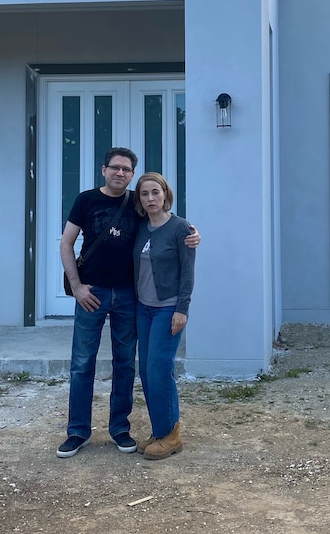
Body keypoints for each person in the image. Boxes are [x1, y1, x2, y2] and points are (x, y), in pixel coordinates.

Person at [56, 148, 198, 458]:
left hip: (129, 297)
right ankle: (77, 431)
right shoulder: (86, 200)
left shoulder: (136, 203)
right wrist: (77, 287)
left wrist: (193, 235)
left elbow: (166, 224)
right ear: (104, 170)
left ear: (132, 174)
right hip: (91, 294)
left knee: (125, 365)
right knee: (82, 365)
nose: (120, 173)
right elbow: (66, 243)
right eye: (115, 168)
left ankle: (119, 428)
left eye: (126, 169)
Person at [132, 172, 195, 460]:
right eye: (145, 194)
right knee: (146, 370)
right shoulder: (141, 227)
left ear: (165, 194)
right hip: (142, 308)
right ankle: (159, 431)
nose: (150, 198)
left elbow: (187, 272)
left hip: (168, 308)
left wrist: (182, 309)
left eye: (155, 192)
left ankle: (172, 435)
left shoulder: (181, 228)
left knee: (160, 368)